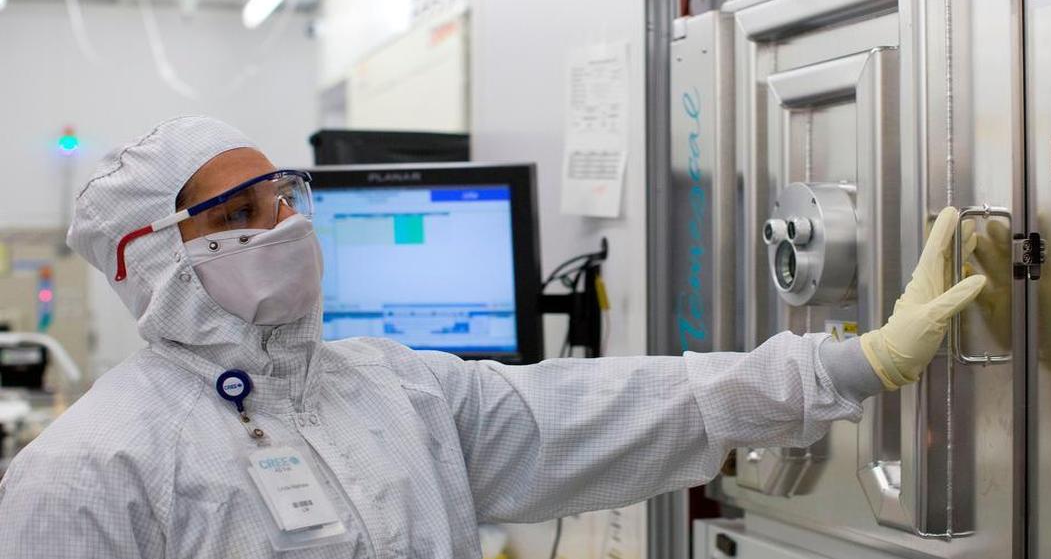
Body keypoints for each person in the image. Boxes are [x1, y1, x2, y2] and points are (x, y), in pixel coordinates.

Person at [0, 117, 985, 558]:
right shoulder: (89, 470)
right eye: (238, 211)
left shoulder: (395, 390)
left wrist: (856, 360)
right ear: (152, 257)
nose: (289, 222)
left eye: (286, 193)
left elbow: (611, 402)